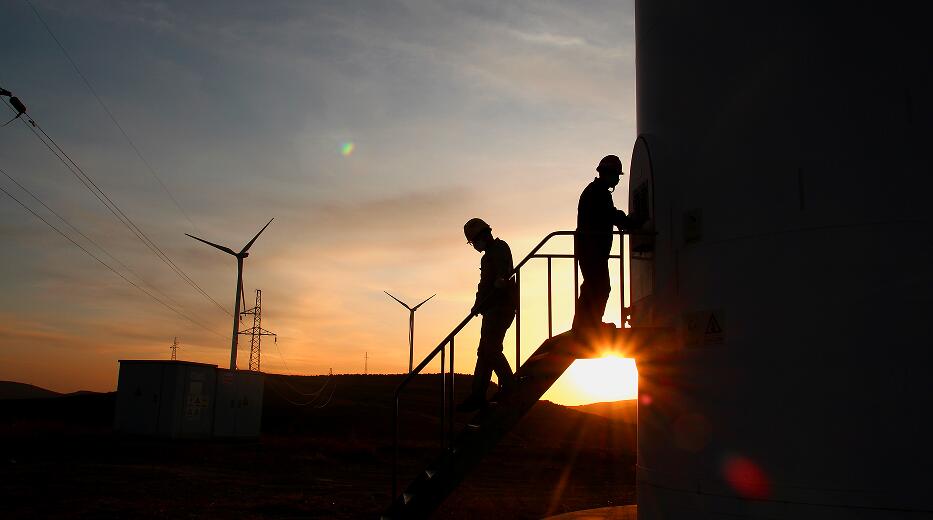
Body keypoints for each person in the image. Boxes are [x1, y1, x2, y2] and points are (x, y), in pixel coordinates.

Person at [572, 154, 641, 333]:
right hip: (592, 249)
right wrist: (629, 222)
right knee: (601, 287)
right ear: (608, 174)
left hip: (589, 248)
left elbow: (608, 214)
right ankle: (591, 324)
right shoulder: (598, 192)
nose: (618, 179)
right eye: (616, 175)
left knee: (591, 286)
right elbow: (609, 214)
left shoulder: (595, 191)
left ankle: (582, 325)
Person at [456, 218, 516, 413]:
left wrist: (500, 282)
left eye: (473, 242)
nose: (474, 246)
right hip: (491, 309)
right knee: (484, 352)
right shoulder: (488, 255)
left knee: (490, 350)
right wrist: (478, 304)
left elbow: (501, 276)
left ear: (480, 237)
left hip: (501, 307)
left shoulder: (499, 248)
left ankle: (510, 386)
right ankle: (477, 396)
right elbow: (484, 285)